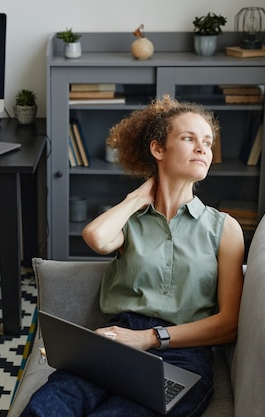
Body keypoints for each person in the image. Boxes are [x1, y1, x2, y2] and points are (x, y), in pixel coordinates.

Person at [21, 95, 245, 417]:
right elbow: (96, 238)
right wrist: (137, 197)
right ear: (158, 149)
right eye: (189, 138)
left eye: (207, 142)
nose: (203, 149)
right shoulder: (132, 221)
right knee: (44, 410)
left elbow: (228, 324)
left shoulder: (225, 228)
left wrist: (149, 338)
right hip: (116, 340)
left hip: (183, 353)